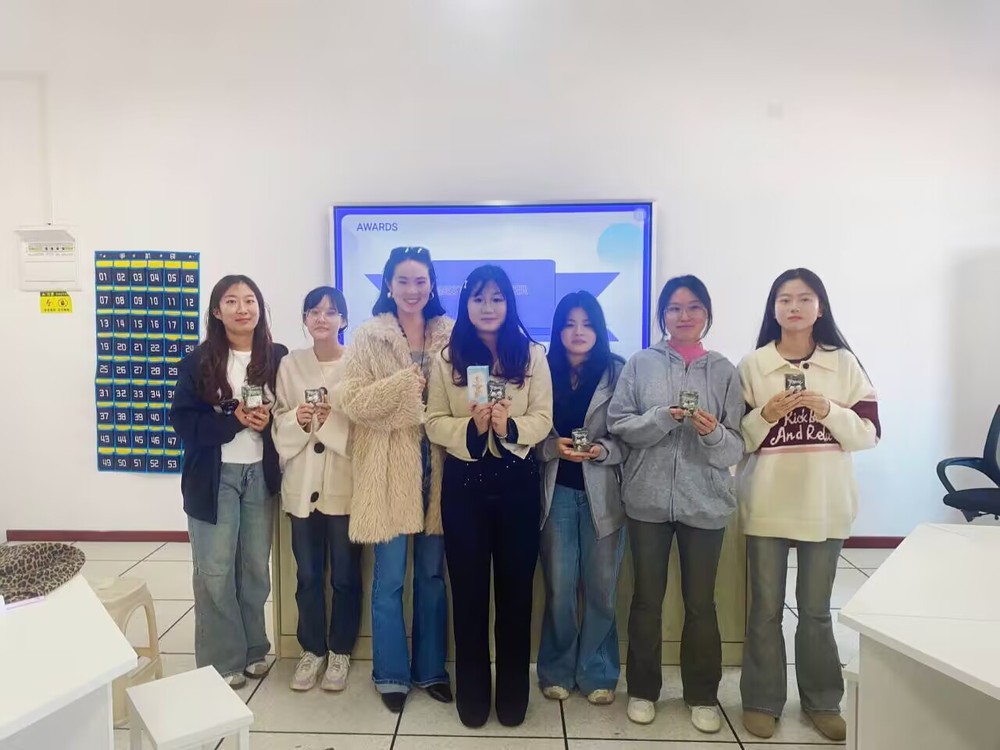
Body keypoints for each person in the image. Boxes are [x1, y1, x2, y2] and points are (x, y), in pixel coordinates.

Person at [737, 268, 880, 742]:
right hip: (768, 502)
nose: (793, 307)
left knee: (816, 610)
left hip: (824, 502)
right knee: (764, 609)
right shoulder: (754, 365)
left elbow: (869, 434)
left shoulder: (843, 363)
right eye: (784, 299)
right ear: (773, 309)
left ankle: (822, 701)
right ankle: (761, 700)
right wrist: (765, 415)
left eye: (803, 298)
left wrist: (828, 410)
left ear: (820, 307)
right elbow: (737, 439)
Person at [607, 275, 745, 732]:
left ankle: (702, 695)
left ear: (707, 314)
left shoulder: (725, 371)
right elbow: (620, 425)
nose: (684, 316)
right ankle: (643, 690)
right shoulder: (640, 364)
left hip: (705, 503)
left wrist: (713, 433)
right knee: (646, 600)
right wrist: (661, 418)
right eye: (674, 308)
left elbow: (736, 446)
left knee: (701, 603)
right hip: (646, 502)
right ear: (662, 315)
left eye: (693, 307)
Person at [425, 265, 553, 728]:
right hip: (465, 485)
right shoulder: (448, 358)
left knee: (516, 597)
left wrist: (510, 426)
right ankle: (474, 694)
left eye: (497, 298)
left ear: (509, 303)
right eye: (479, 298)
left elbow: (544, 417)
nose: (488, 306)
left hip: (517, 483)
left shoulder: (532, 355)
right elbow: (433, 421)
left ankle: (513, 695)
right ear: (466, 304)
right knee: (470, 596)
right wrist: (472, 427)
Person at [335, 247, 453, 713]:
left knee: (431, 576)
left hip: (441, 465)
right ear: (388, 284)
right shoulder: (369, 335)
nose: (412, 289)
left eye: (420, 280)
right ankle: (390, 674)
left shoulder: (450, 333)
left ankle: (431, 669)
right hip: (387, 468)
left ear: (432, 284)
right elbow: (354, 401)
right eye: (403, 280)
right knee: (389, 580)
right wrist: (404, 386)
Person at [170, 274, 287, 689]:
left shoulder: (277, 356)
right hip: (214, 476)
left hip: (261, 475)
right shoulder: (199, 361)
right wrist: (233, 420)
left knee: (255, 568)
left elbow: (288, 412)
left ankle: (254, 648)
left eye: (250, 300)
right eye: (232, 301)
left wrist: (271, 420)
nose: (242, 309)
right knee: (216, 570)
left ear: (260, 308)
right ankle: (222, 659)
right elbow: (183, 422)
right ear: (217, 311)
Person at [536, 291, 627, 707]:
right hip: (556, 492)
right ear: (558, 330)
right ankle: (556, 669)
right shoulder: (541, 370)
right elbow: (527, 432)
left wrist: (603, 450)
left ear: (599, 329)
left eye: (587, 324)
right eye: (569, 324)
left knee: (601, 588)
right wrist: (551, 447)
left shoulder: (618, 372)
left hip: (603, 494)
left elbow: (630, 436)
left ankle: (598, 671)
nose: (578, 332)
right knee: (559, 587)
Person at [272, 286, 362, 692]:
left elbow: (363, 426)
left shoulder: (357, 364)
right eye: (314, 311)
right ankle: (312, 649)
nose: (322, 318)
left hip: (344, 484)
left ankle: (340, 650)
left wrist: (329, 422)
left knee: (345, 575)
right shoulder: (290, 364)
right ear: (305, 319)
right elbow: (278, 420)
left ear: (344, 319)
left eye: (331, 311)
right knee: (307, 575)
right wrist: (298, 417)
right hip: (302, 484)